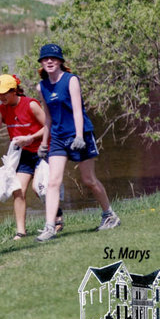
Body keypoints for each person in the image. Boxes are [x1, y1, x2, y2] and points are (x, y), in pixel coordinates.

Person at [35, 44, 121, 242]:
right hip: (57, 137)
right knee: (53, 182)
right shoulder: (41, 87)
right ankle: (49, 227)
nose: (49, 61)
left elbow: (77, 110)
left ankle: (109, 215)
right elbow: (47, 118)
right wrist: (43, 143)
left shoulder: (71, 80)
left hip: (78, 134)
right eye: (45, 58)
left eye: (53, 58)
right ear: (41, 62)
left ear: (60, 61)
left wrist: (80, 136)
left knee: (88, 180)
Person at [0, 74, 64, 240]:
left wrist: (30, 138)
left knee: (38, 187)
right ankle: (20, 232)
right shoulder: (1, 110)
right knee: (18, 189)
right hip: (23, 154)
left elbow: (49, 125)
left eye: (4, 93)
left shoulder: (30, 105)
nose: (1, 97)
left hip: (43, 149)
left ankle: (57, 216)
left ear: (14, 91)